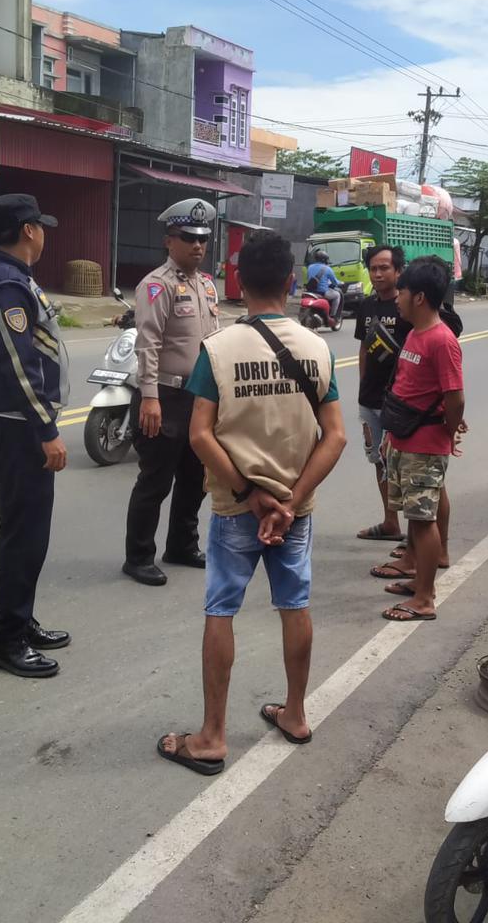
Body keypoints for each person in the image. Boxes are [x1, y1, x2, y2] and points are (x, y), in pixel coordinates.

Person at [156, 230, 347, 776]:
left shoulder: (217, 350)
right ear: (291, 281)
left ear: (238, 281)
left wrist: (248, 493)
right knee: (294, 604)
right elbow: (335, 436)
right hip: (294, 511)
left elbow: (199, 434)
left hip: (236, 509)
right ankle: (296, 714)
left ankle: (212, 737)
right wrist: (290, 500)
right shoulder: (317, 348)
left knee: (221, 610)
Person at [0, 193, 71, 678]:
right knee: (23, 536)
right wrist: (46, 429)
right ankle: (6, 640)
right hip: (17, 429)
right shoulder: (7, 285)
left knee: (31, 534)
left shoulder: (17, 279)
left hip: (19, 424)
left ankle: (21, 619)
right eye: (40, 225)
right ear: (28, 230)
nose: (44, 233)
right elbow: (19, 365)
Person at [123, 198, 222, 587]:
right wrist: (149, 396)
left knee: (195, 477)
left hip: (198, 398)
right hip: (163, 397)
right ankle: (138, 557)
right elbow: (147, 344)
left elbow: (214, 341)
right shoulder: (156, 285)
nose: (197, 245)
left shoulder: (207, 285)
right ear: (169, 240)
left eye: (202, 239)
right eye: (188, 237)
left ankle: (182, 545)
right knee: (155, 481)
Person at [377, 256, 466, 622]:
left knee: (423, 519)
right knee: (414, 517)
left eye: (402, 291)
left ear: (419, 297)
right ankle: (416, 578)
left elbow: (455, 396)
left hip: (425, 444)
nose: (396, 297)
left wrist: (449, 430)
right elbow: (407, 387)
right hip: (404, 438)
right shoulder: (415, 333)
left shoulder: (442, 340)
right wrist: (391, 435)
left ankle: (425, 598)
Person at [354, 244, 410, 543]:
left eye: (384, 268)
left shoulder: (407, 306)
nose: (377, 274)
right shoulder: (367, 306)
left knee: (405, 462)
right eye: (373, 268)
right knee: (378, 459)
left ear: (398, 270)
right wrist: (363, 386)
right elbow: (364, 348)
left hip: (400, 401)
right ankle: (390, 522)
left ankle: (420, 534)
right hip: (370, 399)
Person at [306, 248, 343, 323]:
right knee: (337, 295)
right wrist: (341, 283)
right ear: (324, 260)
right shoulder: (328, 269)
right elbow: (335, 282)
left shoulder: (310, 267)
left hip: (311, 292)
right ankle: (332, 316)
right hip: (322, 292)